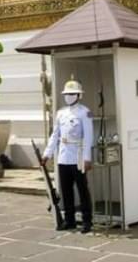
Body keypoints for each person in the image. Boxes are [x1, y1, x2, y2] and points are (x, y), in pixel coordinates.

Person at [41, 79, 94, 233]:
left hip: (78, 155)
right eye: (66, 94)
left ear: (79, 95)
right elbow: (54, 135)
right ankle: (69, 220)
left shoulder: (85, 112)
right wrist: (47, 154)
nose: (69, 96)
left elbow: (88, 136)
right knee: (66, 191)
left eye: (72, 94)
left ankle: (86, 221)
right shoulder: (60, 113)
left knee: (82, 190)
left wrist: (87, 158)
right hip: (63, 156)